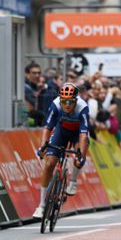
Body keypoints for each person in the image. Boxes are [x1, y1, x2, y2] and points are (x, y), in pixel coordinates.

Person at [33, 83, 89, 219]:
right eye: (64, 101)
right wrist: (43, 147)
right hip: (61, 132)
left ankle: (73, 180)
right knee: (49, 165)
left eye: (70, 101)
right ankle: (41, 206)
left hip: (77, 134)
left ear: (76, 100)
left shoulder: (83, 107)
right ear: (60, 100)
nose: (67, 105)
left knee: (79, 157)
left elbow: (83, 134)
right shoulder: (55, 104)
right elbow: (47, 127)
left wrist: (80, 153)